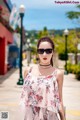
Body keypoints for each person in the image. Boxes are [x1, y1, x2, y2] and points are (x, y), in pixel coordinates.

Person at [20, 37, 65, 120]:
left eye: (48, 51)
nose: (45, 54)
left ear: (52, 52)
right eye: (41, 51)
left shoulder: (58, 74)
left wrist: (63, 118)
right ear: (37, 52)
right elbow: (25, 100)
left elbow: (60, 101)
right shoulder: (28, 71)